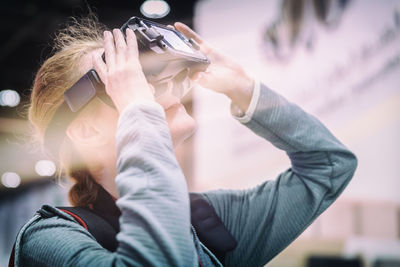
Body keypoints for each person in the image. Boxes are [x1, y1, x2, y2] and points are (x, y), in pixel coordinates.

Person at [12, 15, 357, 267]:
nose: (160, 87)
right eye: (130, 79)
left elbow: (329, 166)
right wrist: (141, 111)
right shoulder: (49, 240)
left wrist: (245, 90)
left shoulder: (207, 221)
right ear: (85, 132)